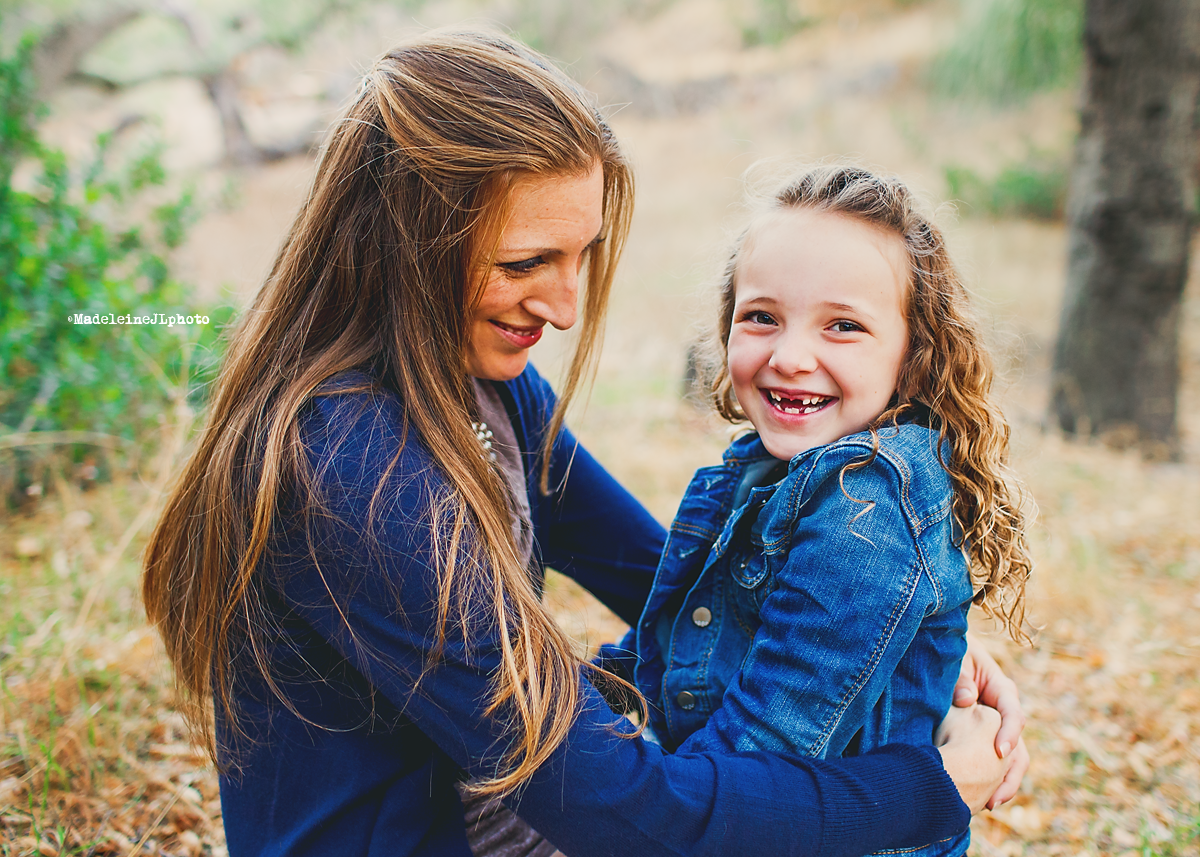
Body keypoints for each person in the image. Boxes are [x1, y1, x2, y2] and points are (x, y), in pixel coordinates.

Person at [142, 31, 1025, 857]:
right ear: (404, 242)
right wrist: (930, 784)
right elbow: (630, 815)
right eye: (525, 263)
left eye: (581, 256)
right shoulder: (349, 468)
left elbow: (672, 582)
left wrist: (904, 629)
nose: (565, 306)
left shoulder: (483, 384)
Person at [631, 165, 1033, 857]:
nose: (790, 356)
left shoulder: (870, 496)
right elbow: (662, 662)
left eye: (842, 326)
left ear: (914, 355)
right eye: (762, 317)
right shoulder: (756, 470)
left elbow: (769, 748)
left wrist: (631, 804)